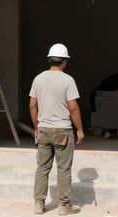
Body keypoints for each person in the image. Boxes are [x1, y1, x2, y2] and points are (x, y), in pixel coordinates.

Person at [29, 43, 85, 215]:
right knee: (63, 169)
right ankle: (63, 206)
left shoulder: (38, 79)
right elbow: (73, 108)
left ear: (49, 59)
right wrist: (80, 129)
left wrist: (36, 127)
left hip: (44, 130)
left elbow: (32, 105)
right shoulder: (68, 80)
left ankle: (39, 204)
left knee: (42, 168)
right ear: (65, 61)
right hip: (63, 131)